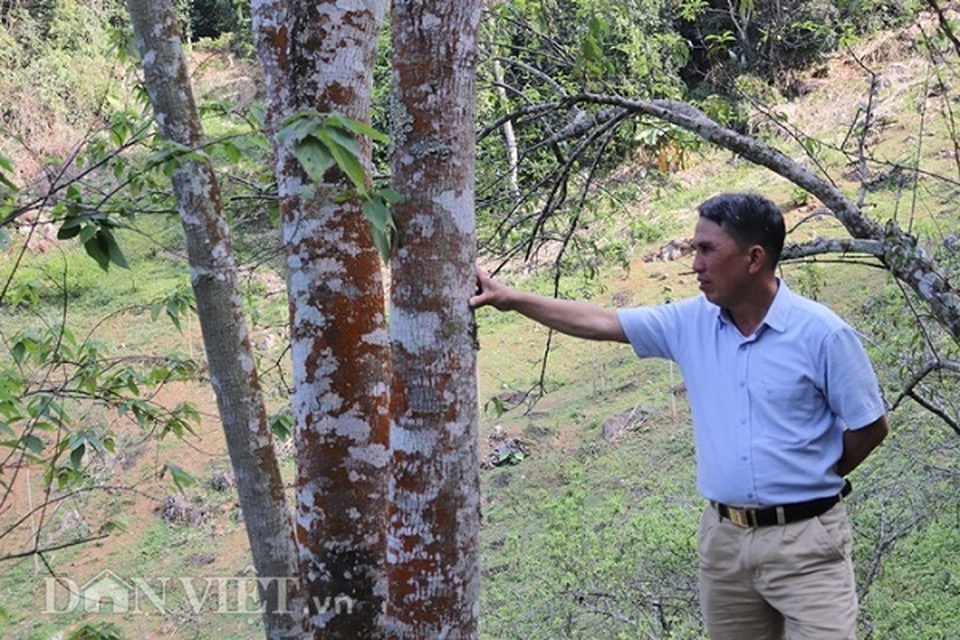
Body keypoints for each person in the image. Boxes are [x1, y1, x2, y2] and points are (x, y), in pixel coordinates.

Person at [469, 192, 888, 640]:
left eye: (707, 250)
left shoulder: (822, 334)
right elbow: (601, 322)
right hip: (725, 544)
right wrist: (511, 299)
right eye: (694, 249)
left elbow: (870, 426)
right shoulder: (691, 323)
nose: (695, 264)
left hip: (807, 543)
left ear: (754, 258)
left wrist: (812, 474)